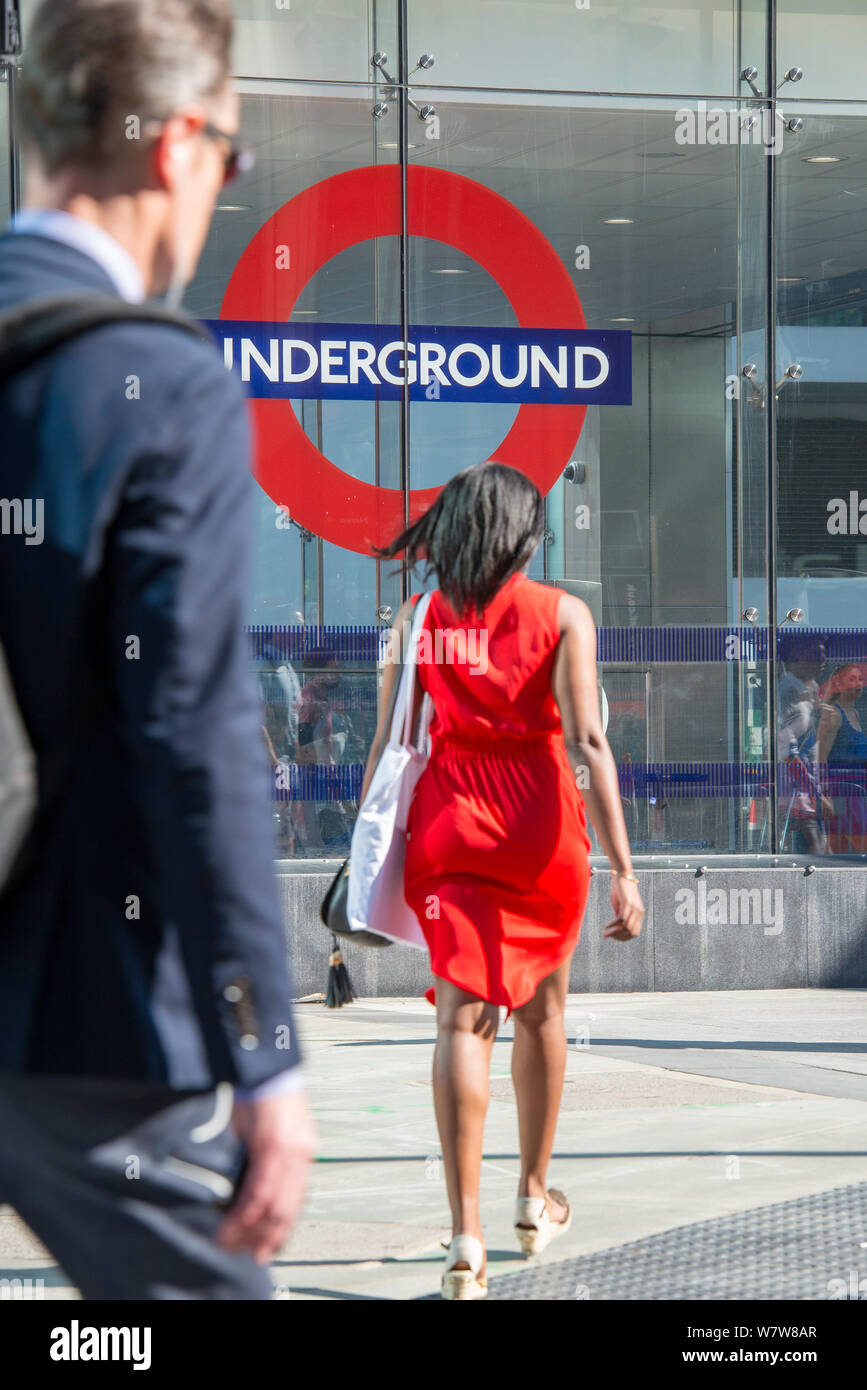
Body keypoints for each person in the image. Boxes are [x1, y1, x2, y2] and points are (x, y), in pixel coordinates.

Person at [0, 0, 314, 1299]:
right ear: (177, 143)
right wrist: (268, 1049)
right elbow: (191, 734)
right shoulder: (155, 382)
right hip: (76, 1014)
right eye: (230, 158)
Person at [364, 461, 645, 1300]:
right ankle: (532, 1197)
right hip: (539, 826)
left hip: (450, 820)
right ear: (524, 531)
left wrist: (366, 843)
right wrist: (627, 870)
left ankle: (464, 1236)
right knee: (543, 1011)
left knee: (460, 1020)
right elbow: (589, 745)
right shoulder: (563, 613)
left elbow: (386, 745)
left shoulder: (414, 618)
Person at [816, 662, 867, 854]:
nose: (858, 684)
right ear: (840, 684)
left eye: (860, 679)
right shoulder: (834, 715)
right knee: (853, 846)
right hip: (841, 793)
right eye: (851, 679)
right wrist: (822, 795)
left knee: (844, 850)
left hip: (857, 792)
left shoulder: (855, 713)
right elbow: (820, 757)